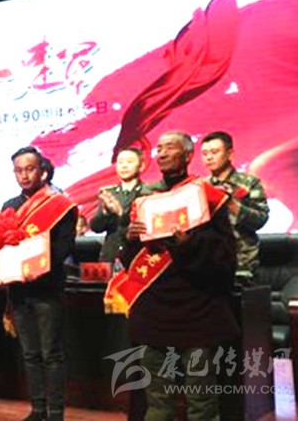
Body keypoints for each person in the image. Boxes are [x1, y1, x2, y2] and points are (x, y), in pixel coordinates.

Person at [107, 131, 238, 420]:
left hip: (198, 308)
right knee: (157, 400)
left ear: (188, 155)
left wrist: (189, 245)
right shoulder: (146, 199)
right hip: (154, 310)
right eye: (159, 149)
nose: (162, 154)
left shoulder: (207, 196)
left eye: (170, 148)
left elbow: (225, 258)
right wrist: (130, 240)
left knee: (201, 399)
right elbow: (131, 262)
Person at [0, 147, 77, 421]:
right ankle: (38, 409)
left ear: (43, 171)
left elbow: (64, 247)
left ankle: (56, 412)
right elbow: (0, 246)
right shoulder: (9, 205)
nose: (24, 175)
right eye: (19, 170)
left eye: (30, 169)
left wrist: (37, 268)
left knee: (51, 353)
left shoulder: (61, 205)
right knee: (30, 353)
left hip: (47, 288)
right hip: (19, 290)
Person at [201, 131, 269, 284]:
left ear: (230, 154)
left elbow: (261, 220)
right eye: (205, 154)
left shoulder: (249, 182)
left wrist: (231, 204)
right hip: (208, 263)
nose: (209, 157)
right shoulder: (200, 186)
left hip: (242, 265)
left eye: (214, 152)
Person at [89, 147, 145, 262]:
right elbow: (96, 227)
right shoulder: (109, 193)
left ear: (141, 166)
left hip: (134, 256)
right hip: (110, 255)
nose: (124, 166)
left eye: (129, 162)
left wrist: (120, 213)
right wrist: (105, 213)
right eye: (120, 162)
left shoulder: (147, 192)